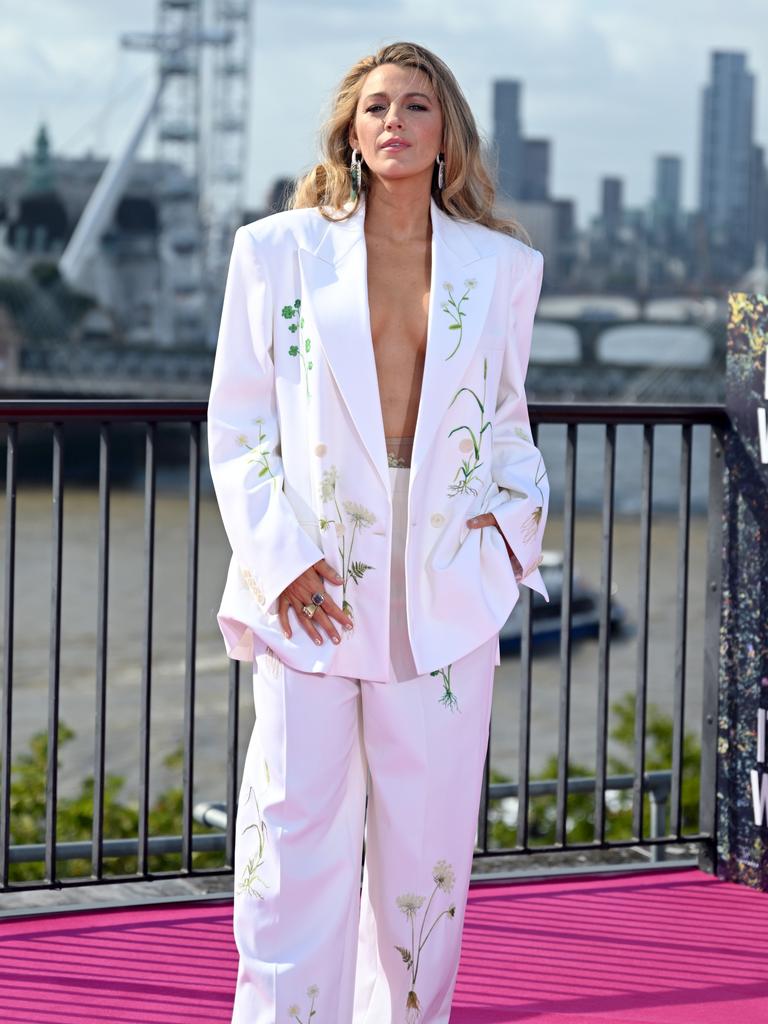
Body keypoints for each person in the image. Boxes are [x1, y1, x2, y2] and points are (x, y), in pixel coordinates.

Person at [207, 40, 549, 1024]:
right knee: (289, 849)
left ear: (449, 137)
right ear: (350, 133)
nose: (395, 120)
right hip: (310, 593)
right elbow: (238, 423)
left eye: (417, 106)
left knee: (427, 860)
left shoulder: (504, 268)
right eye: (376, 107)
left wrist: (510, 526)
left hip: (443, 598)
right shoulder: (275, 252)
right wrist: (278, 563)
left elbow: (510, 424)